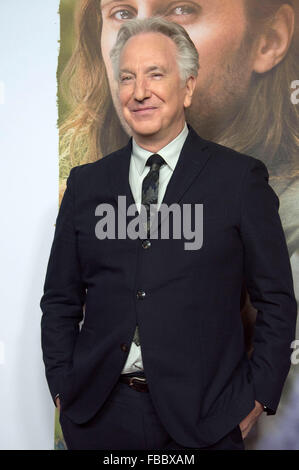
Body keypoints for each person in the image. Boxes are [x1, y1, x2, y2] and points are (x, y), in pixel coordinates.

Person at [41, 18, 297, 450]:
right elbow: (60, 300)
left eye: (156, 74)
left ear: (189, 87)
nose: (140, 91)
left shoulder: (238, 180)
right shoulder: (87, 185)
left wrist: (256, 400)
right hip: (98, 417)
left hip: (206, 420)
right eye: (127, 77)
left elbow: (276, 300)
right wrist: (64, 389)